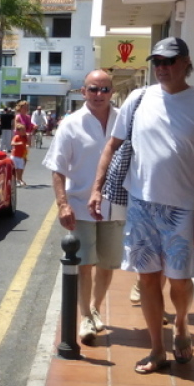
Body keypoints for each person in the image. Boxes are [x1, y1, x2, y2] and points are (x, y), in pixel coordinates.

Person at [89, 37, 194, 375]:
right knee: (147, 280)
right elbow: (112, 146)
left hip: (180, 210)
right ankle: (157, 349)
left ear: (185, 62)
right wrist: (96, 188)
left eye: (169, 61)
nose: (162, 68)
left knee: (179, 281)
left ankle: (180, 324)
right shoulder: (138, 98)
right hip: (140, 206)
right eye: (157, 62)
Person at [43, 70, 123, 350]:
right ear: (83, 91)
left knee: (108, 263)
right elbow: (58, 168)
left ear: (112, 92)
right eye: (93, 89)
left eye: (104, 89)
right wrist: (63, 204)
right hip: (80, 205)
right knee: (84, 263)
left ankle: (96, 308)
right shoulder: (71, 124)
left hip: (116, 205)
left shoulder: (123, 120)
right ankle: (85, 317)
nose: (99, 95)